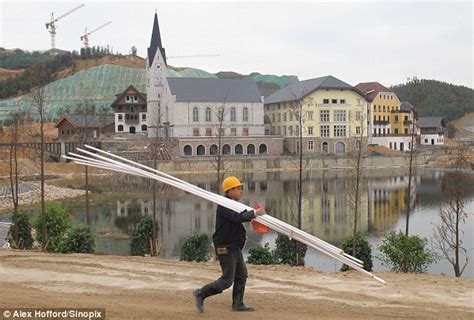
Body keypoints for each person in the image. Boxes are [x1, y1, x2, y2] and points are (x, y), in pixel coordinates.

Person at [193, 176, 266, 313]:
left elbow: (239, 218)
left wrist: (253, 215)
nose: (241, 191)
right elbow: (236, 218)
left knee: (241, 275)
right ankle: (200, 293)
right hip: (225, 247)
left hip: (234, 246)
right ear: (230, 190)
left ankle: (237, 304)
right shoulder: (224, 205)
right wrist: (254, 213)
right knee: (227, 280)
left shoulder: (233, 205)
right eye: (238, 189)